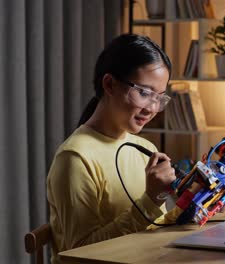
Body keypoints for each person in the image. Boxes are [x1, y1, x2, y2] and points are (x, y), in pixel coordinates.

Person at [46, 34, 177, 263]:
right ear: (109, 84)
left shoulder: (144, 148)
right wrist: (150, 201)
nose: (152, 108)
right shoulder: (75, 158)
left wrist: (198, 204)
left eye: (159, 97)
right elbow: (80, 253)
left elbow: (155, 227)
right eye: (144, 93)